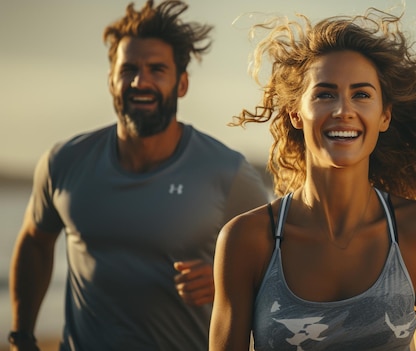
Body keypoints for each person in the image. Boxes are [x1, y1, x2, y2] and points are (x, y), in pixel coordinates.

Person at [209, 9, 416, 351]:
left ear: (384, 116)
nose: (343, 110)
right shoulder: (246, 240)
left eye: (361, 94)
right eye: (324, 94)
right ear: (295, 114)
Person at [8, 1, 269, 350]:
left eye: (156, 69)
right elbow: (35, 242)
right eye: (128, 68)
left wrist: (228, 279)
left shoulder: (228, 173)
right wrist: (21, 335)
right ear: (110, 80)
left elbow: (276, 269)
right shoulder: (65, 161)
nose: (139, 81)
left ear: (182, 84)